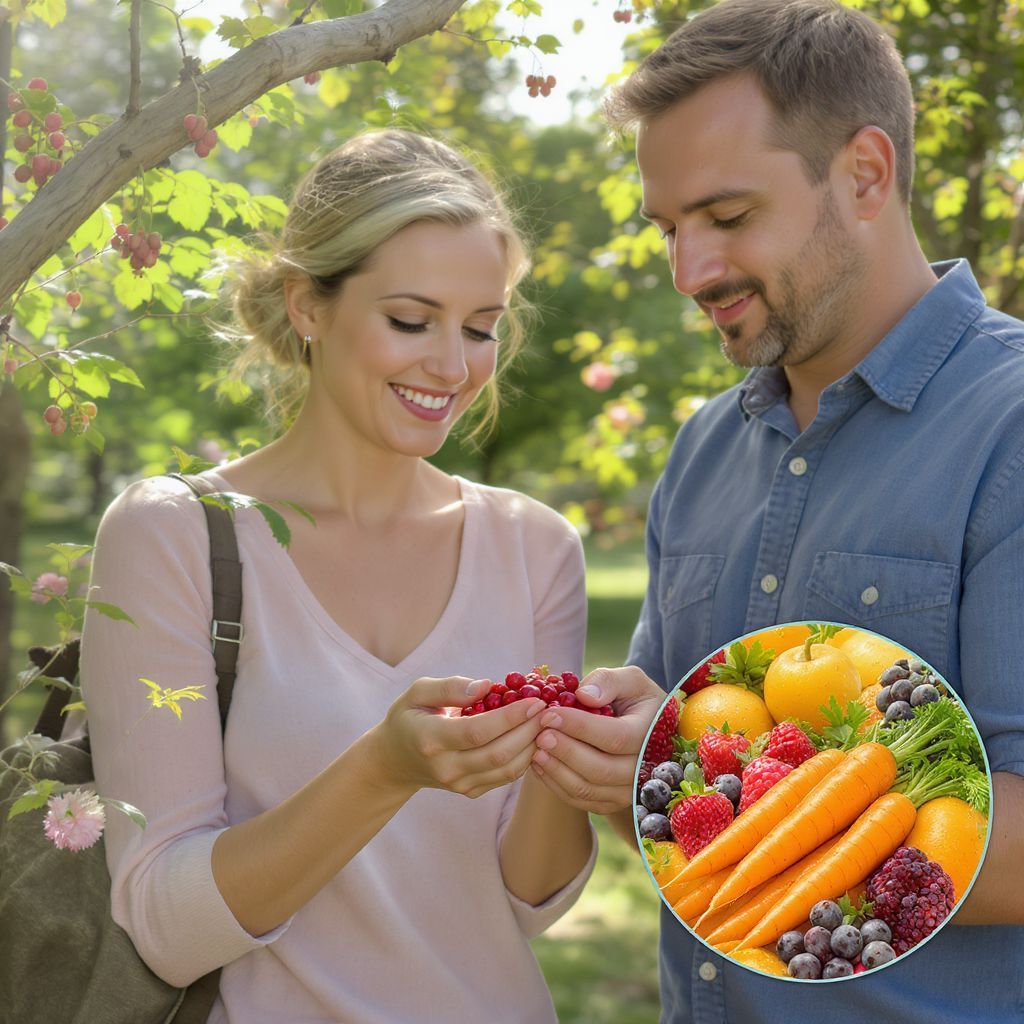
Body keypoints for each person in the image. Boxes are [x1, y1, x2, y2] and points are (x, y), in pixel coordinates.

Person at [80, 128, 618, 1024]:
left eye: (480, 328)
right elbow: (164, 926)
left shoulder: (535, 547)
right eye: (411, 320)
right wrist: (382, 770)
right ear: (308, 306)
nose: (453, 367)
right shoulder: (172, 535)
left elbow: (528, 902)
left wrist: (572, 755)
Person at [566, 0, 1022, 1019]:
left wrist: (690, 772)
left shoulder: (1011, 431)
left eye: (726, 218)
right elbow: (671, 785)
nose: (689, 272)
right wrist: (613, 741)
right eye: (668, 229)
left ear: (863, 174)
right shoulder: (703, 450)